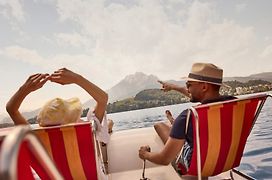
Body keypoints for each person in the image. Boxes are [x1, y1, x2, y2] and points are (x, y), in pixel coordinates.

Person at [139, 62, 235, 176]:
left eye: (189, 84)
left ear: (204, 87)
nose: (187, 89)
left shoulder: (188, 116)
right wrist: (173, 87)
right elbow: (200, 96)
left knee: (160, 126)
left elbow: (164, 159)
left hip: (200, 165)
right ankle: (175, 126)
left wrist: (144, 154)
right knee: (183, 128)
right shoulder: (236, 104)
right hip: (227, 160)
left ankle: (175, 127)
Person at [6, 68, 110, 142]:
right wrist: (77, 79)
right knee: (109, 124)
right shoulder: (88, 134)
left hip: (53, 173)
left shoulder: (37, 143)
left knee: (109, 124)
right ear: (74, 121)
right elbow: (103, 99)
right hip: (90, 173)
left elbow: (11, 109)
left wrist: (24, 89)